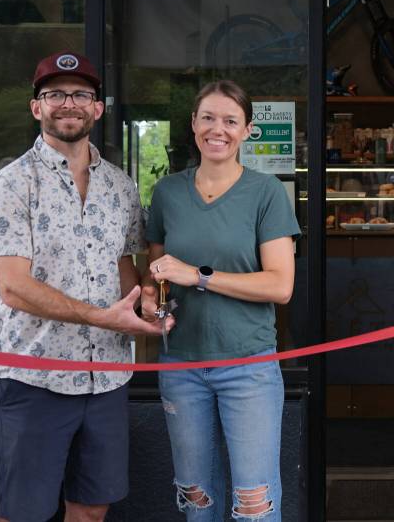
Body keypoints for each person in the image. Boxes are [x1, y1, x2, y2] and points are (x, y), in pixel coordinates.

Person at [0, 51, 166, 522]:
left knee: (91, 510)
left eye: (81, 94)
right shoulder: (11, 185)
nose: (69, 103)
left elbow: (125, 263)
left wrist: (144, 303)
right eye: (54, 94)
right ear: (36, 107)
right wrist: (104, 317)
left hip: (107, 377)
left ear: (97, 109)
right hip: (35, 377)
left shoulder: (121, 187)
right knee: (24, 514)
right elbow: (14, 289)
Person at [141, 80, 300, 522]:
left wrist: (198, 276)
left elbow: (280, 286)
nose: (218, 129)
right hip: (181, 367)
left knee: (255, 505)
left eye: (231, 120)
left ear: (247, 130)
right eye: (208, 117)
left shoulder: (266, 192)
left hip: (248, 366)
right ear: (193, 124)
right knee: (196, 500)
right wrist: (152, 305)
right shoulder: (168, 193)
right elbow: (156, 278)